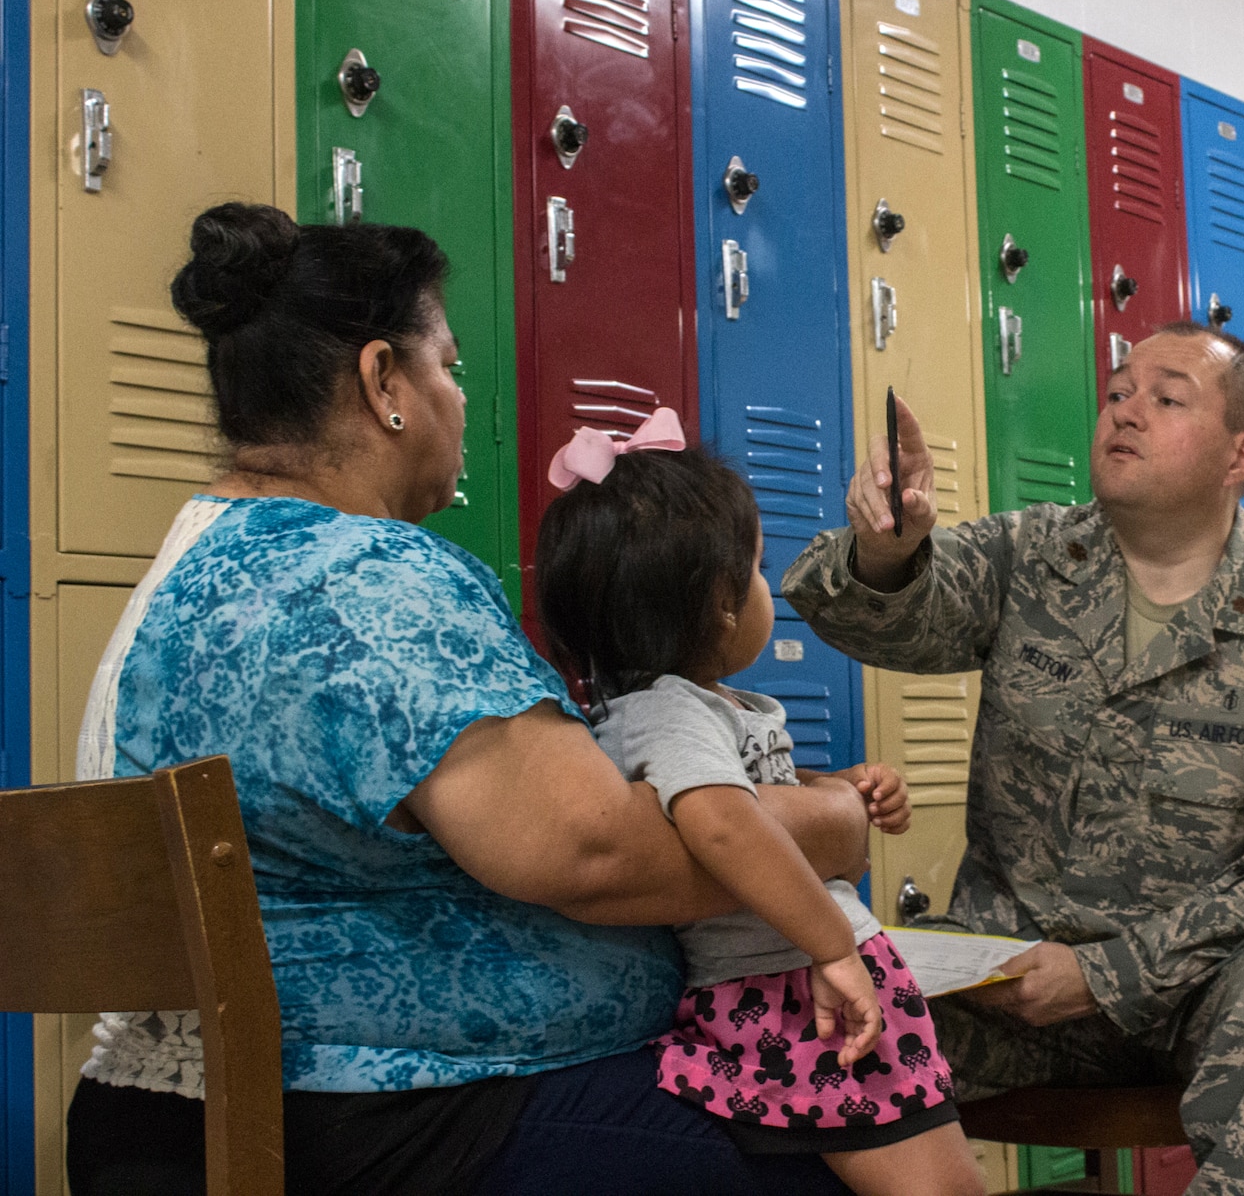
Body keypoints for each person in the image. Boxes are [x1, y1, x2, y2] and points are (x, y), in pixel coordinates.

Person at [65, 202, 865, 1196]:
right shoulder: (369, 579)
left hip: (188, 1112)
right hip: (387, 1126)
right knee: (845, 1141)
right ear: (382, 383)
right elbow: (595, 852)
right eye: (446, 366)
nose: (457, 397)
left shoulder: (185, 570)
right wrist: (836, 821)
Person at [783, 323, 1244, 1196]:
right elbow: (869, 615)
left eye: (1167, 399)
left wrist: (1107, 975)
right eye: (1119, 391)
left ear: (1242, 455)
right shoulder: (1036, 558)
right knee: (799, 1024)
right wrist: (889, 551)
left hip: (1208, 987)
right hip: (1011, 981)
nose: (1126, 412)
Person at [530, 418, 985, 1196]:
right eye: (759, 570)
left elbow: (746, 794)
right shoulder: (670, 712)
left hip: (783, 990)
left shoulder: (683, 710)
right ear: (721, 605)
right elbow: (722, 822)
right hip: (796, 989)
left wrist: (840, 785)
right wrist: (832, 945)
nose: (768, 587)